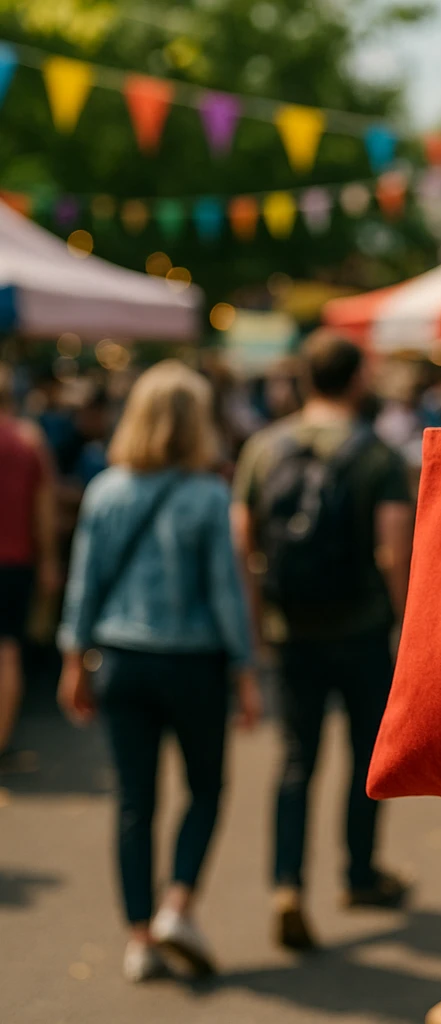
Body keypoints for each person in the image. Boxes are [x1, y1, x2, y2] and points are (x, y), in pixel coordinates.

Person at [55, 360, 260, 982]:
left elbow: (83, 585)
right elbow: (227, 595)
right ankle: (178, 906)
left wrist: (72, 660)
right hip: (192, 664)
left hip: (120, 661)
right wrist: (246, 671)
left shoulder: (106, 490)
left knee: (133, 803)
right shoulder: (206, 495)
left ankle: (140, 939)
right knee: (205, 790)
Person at [231, 335, 413, 952]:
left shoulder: (262, 448)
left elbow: (244, 546)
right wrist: (407, 621)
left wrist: (255, 632)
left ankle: (287, 885)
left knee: (295, 761)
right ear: (357, 380)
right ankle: (360, 875)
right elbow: (392, 549)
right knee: (367, 758)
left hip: (292, 632)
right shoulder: (378, 456)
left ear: (304, 378)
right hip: (360, 629)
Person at [0, 364, 60, 763]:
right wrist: (50, 561)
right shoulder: (28, 439)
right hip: (15, 561)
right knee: (7, 652)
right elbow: (45, 510)